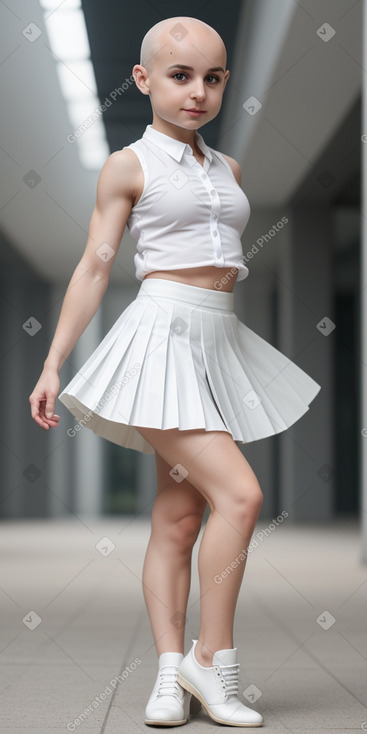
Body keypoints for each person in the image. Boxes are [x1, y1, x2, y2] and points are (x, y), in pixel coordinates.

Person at [29, 16, 321, 728]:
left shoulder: (230, 170)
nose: (197, 92)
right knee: (242, 498)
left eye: (212, 78)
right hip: (160, 336)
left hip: (218, 339)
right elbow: (96, 265)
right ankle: (211, 660)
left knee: (179, 516)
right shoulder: (128, 164)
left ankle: (168, 676)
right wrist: (53, 361)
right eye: (179, 76)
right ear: (143, 80)